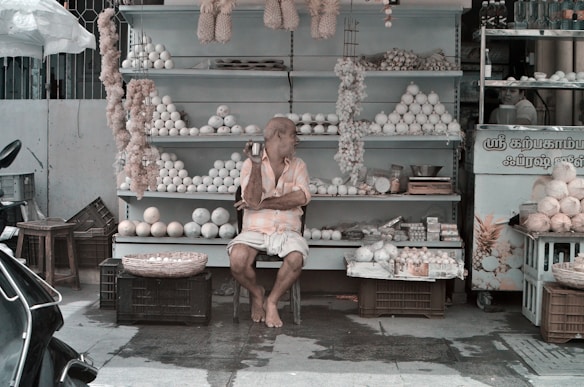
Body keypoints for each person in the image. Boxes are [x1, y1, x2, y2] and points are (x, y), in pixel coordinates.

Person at [227, 117, 311, 328]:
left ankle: (272, 301)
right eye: (293, 135)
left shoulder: (299, 165)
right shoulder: (249, 164)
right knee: (237, 260)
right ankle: (257, 293)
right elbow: (251, 199)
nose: (296, 141)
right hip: (255, 230)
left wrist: (263, 204)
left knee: (296, 259)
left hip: (287, 230)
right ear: (278, 136)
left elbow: (301, 198)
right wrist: (256, 165)